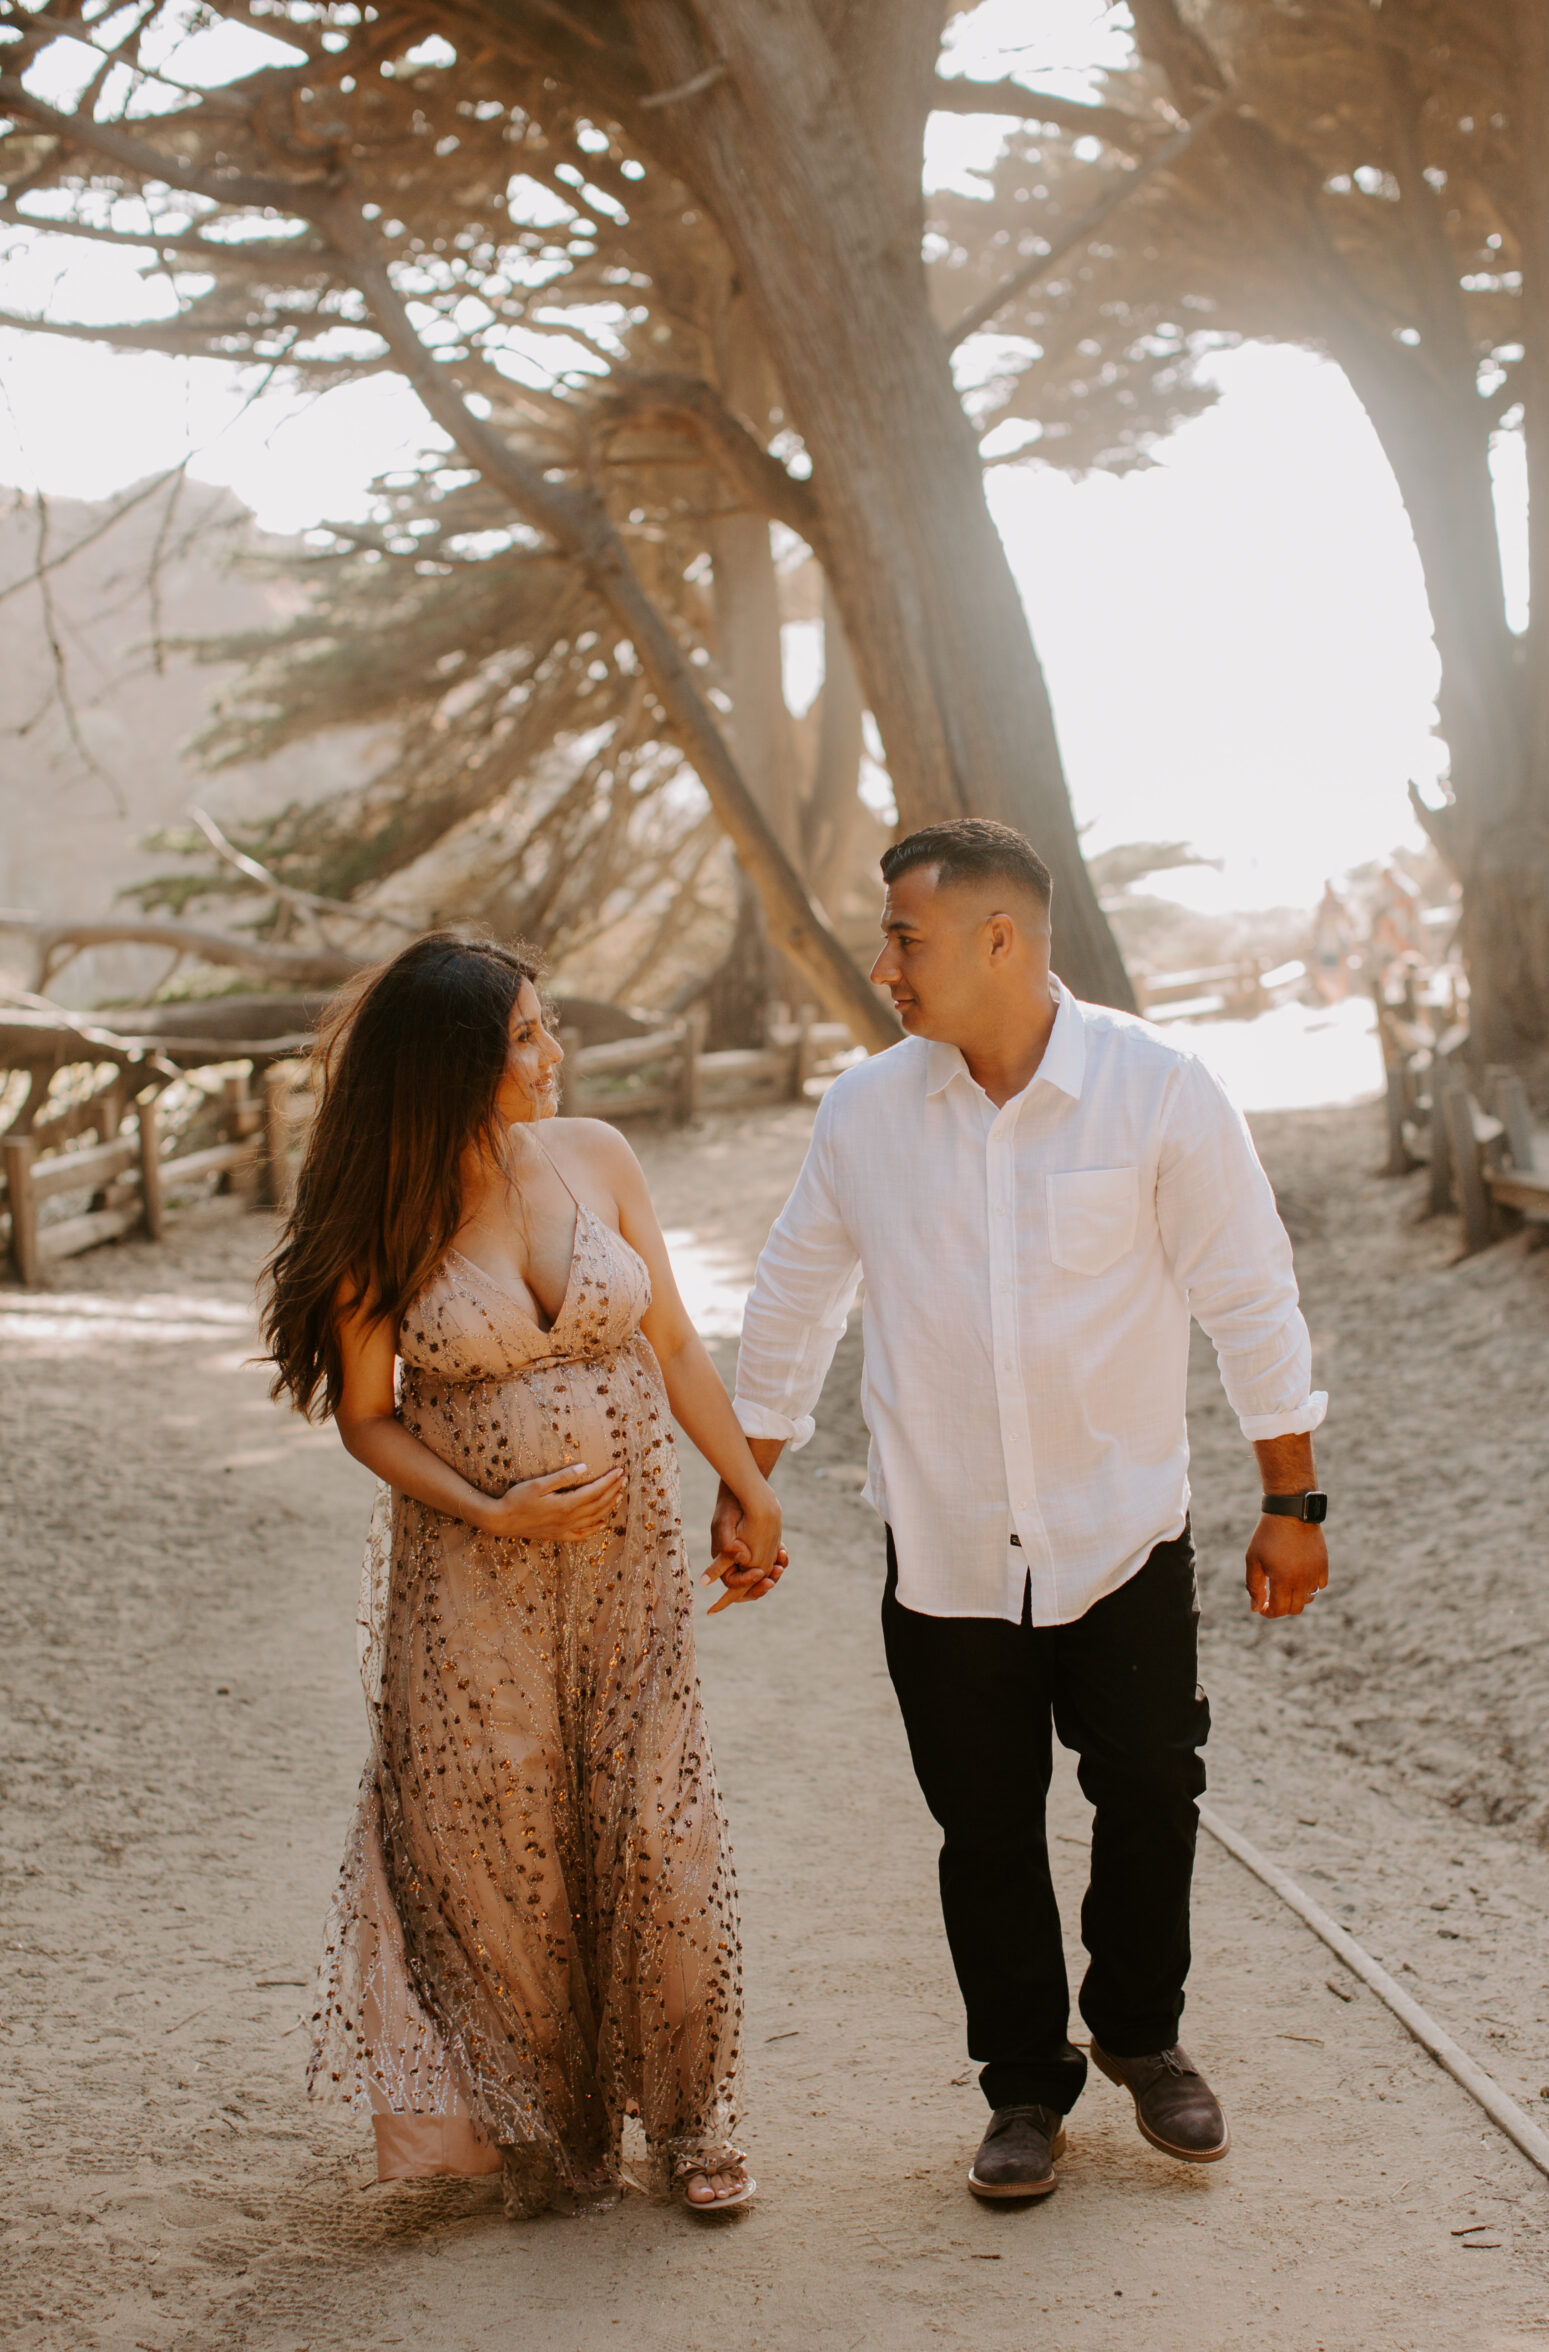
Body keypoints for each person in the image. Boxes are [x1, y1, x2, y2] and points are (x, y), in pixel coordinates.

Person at [711, 822, 1328, 2203]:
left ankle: (1139, 2034)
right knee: (982, 1828)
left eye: (903, 939)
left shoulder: (1157, 1090)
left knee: (1151, 1790)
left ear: (1001, 938)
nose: (881, 966)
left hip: (1121, 1529)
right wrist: (745, 1483)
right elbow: (793, 1299)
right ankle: (1020, 2088)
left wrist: (1291, 1496)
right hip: (940, 1547)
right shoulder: (864, 1112)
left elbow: (1247, 1295)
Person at [265, 932, 785, 2216]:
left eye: (547, 1028)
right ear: (449, 1066)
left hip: (629, 1576)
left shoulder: (597, 1156)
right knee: (508, 1851)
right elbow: (370, 1416)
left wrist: (750, 1480)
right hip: (470, 1588)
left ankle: (692, 2124)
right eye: (524, 1040)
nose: (552, 1057)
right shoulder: (381, 1211)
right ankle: (553, 2124)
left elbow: (666, 1335)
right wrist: (494, 1508)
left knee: (661, 1836)